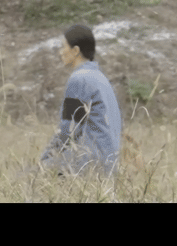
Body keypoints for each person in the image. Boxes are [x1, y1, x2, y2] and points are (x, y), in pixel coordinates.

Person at [40, 24, 122, 177]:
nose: (60, 52)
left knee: (29, 177)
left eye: (63, 47)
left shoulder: (80, 79)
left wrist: (45, 158)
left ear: (75, 51)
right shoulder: (101, 78)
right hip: (109, 165)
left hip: (89, 164)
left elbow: (69, 128)